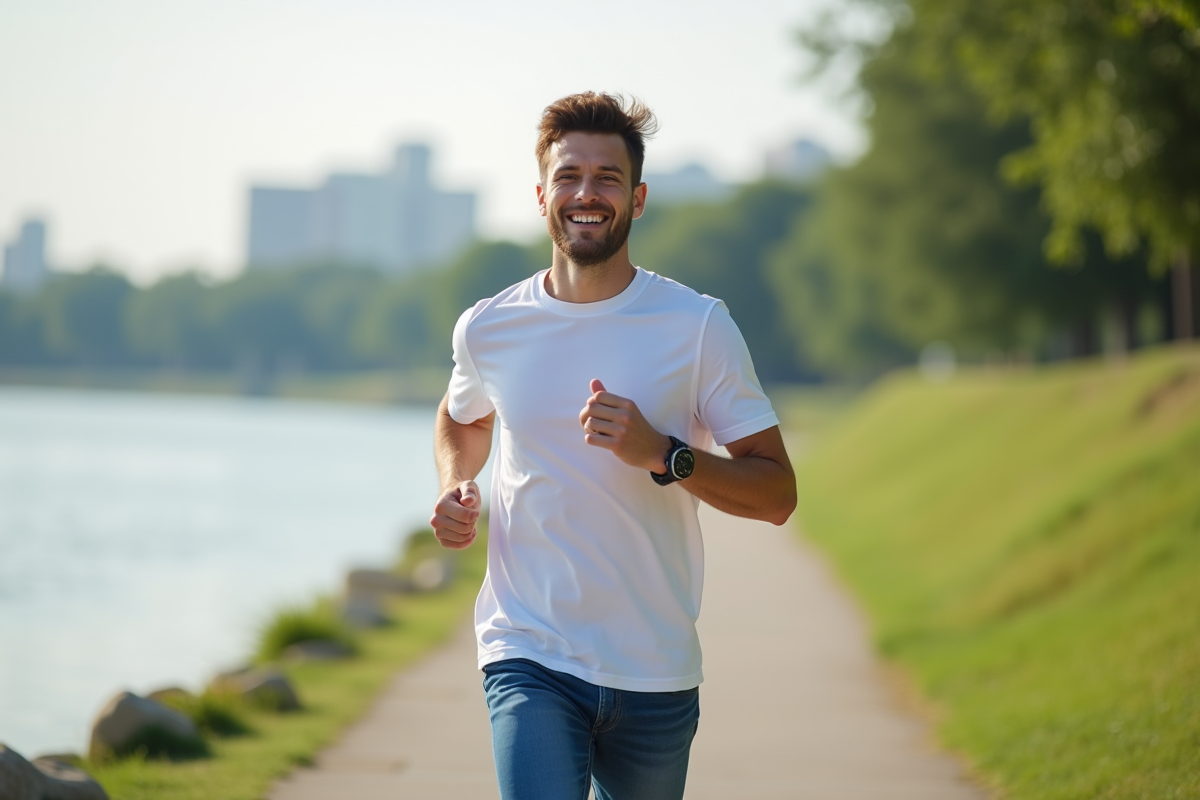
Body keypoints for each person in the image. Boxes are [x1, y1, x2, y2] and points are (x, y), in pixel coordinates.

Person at [429, 91, 796, 800]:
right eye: (569, 176)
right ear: (541, 196)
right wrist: (454, 484)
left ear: (638, 197)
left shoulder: (696, 327)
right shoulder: (488, 327)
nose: (586, 194)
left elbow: (777, 494)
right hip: (527, 649)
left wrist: (665, 453)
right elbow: (463, 417)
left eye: (607, 177)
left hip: (652, 667)